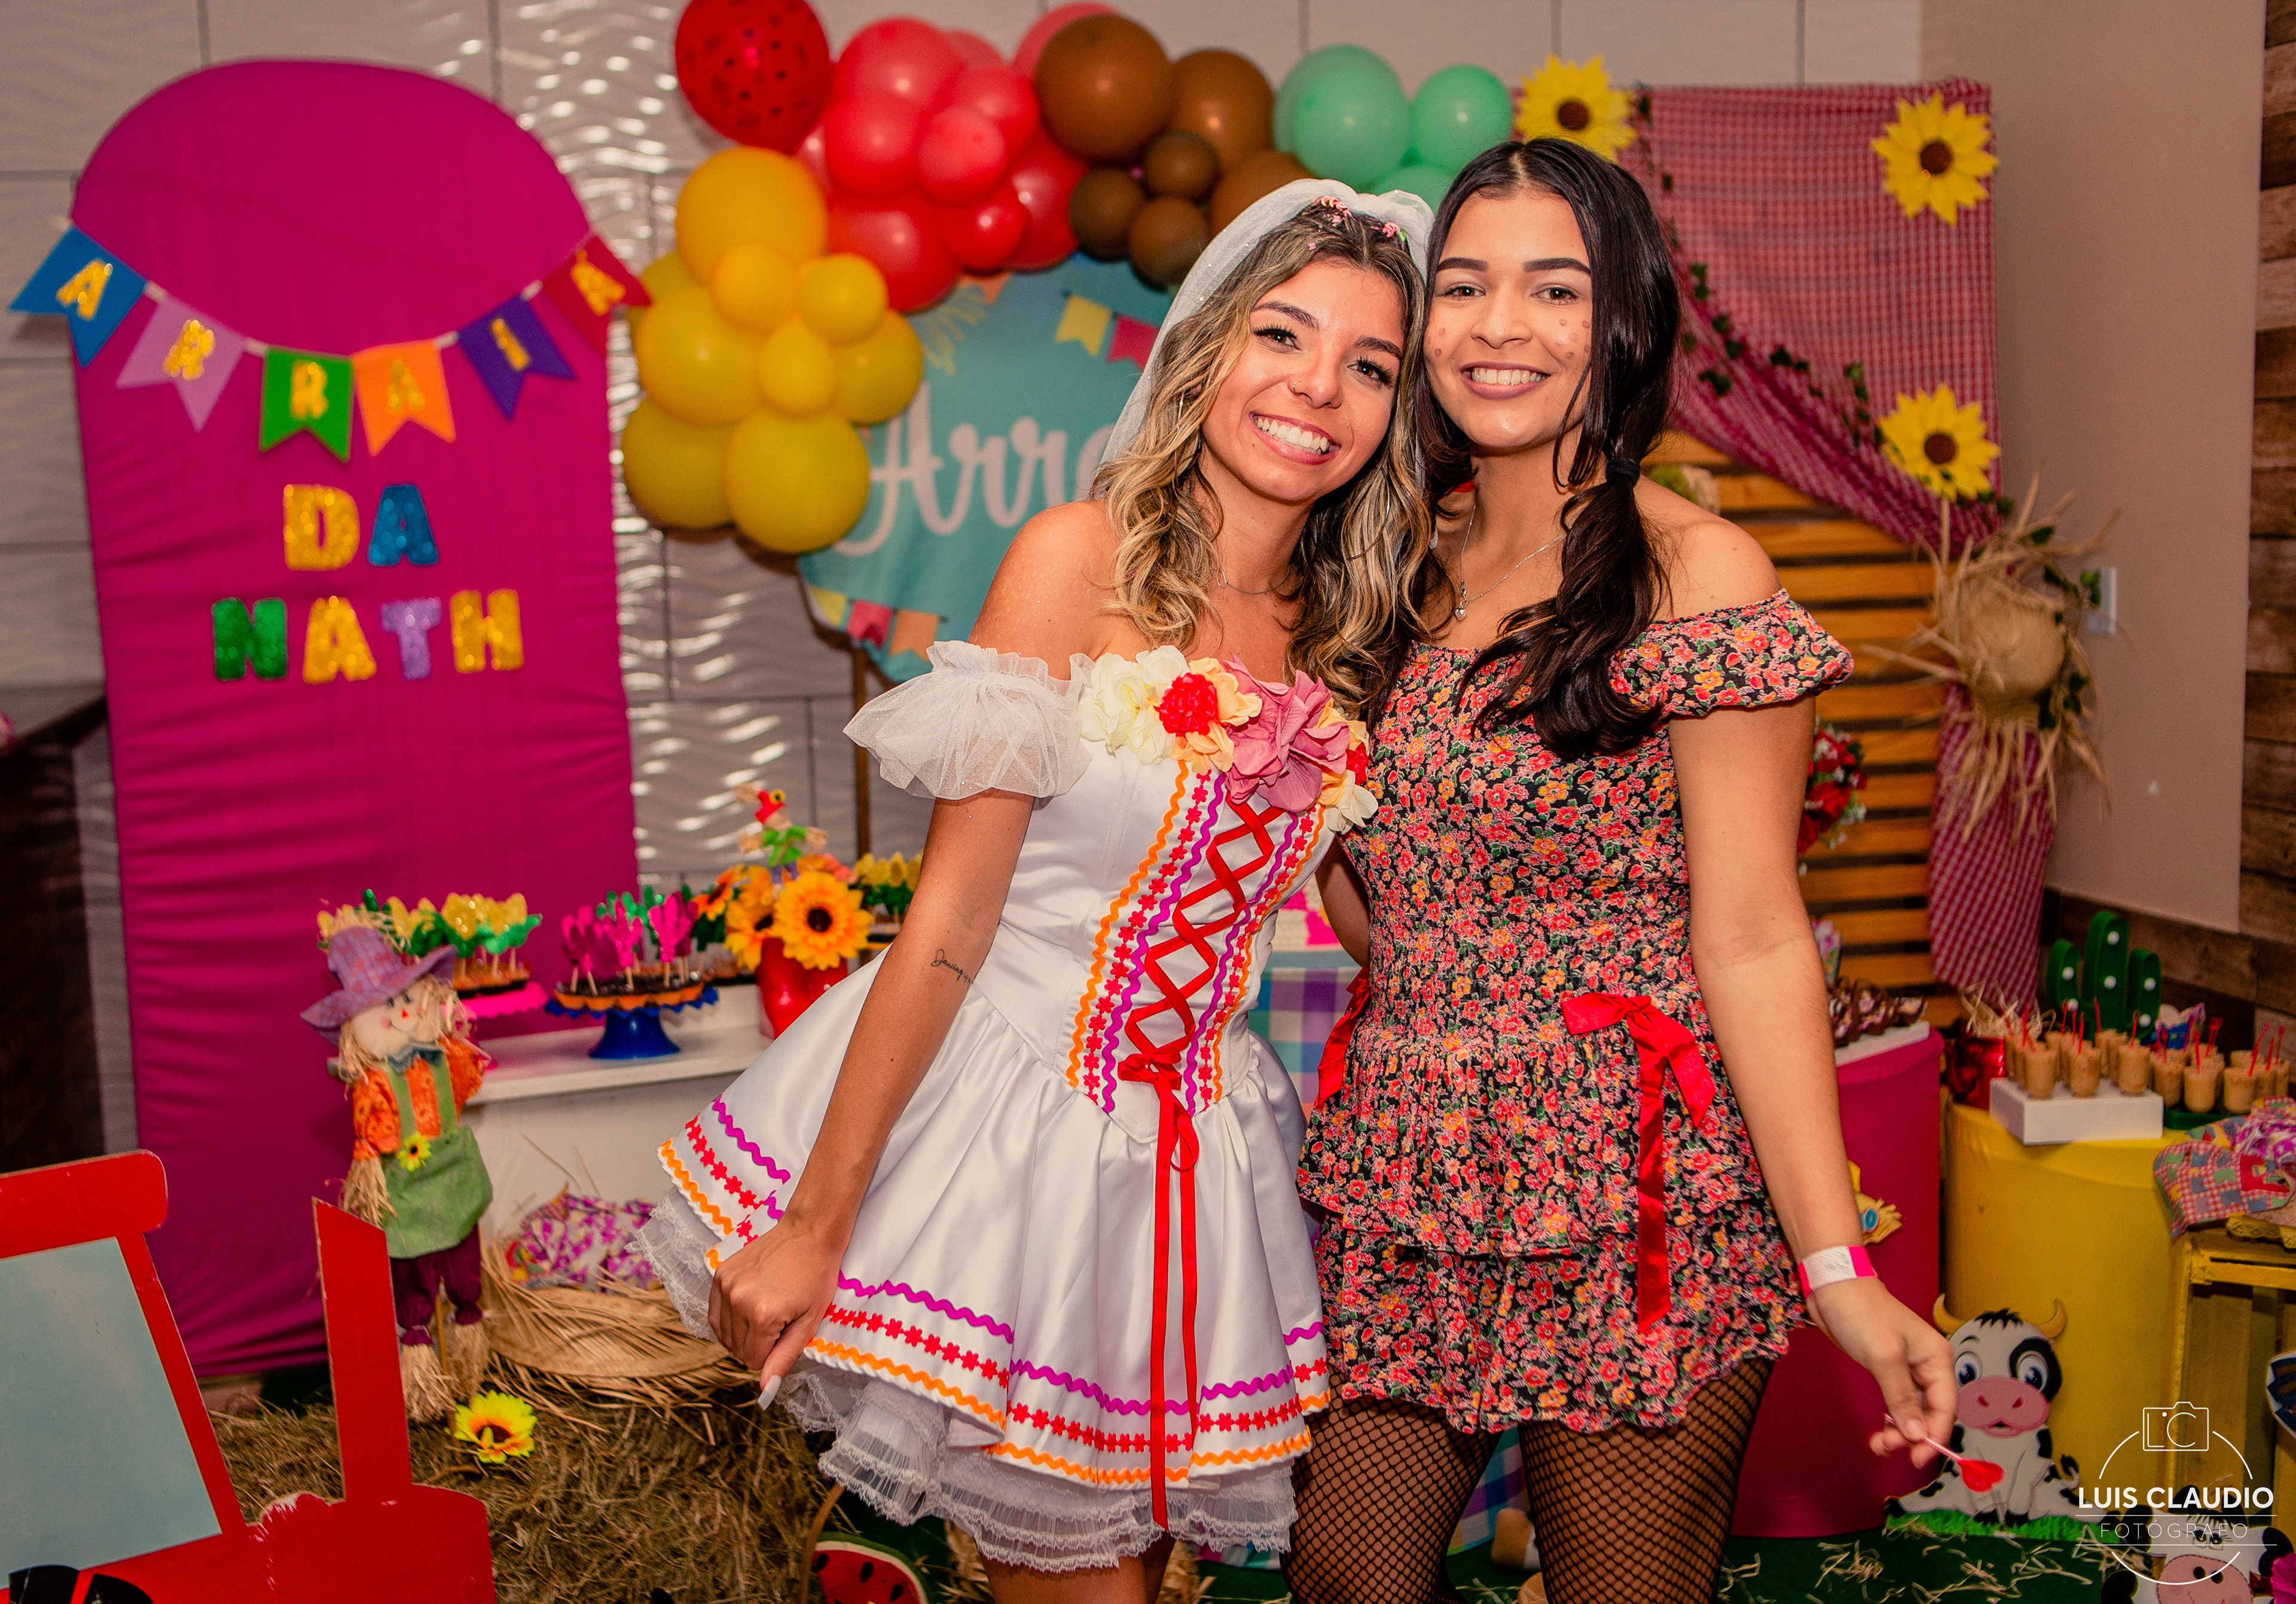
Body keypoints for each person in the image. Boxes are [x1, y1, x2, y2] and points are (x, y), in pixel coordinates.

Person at [636, 180, 1433, 1602]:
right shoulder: (1077, 561)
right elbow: (950, 920)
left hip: (1204, 1165)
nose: (1321, 387)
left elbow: (1369, 912)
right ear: (1208, 349)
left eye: (1371, 365)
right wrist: (819, 1220)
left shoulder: (1352, 634)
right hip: (1015, 1136)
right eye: (1283, 334)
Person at [1284, 139, 1958, 1604]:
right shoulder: (1389, 569)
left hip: (1635, 1179)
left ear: (1626, 321)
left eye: (1554, 288)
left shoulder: (1694, 574)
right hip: (1409, 1165)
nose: (1500, 325)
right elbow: (1385, 913)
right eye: (1465, 286)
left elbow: (1756, 937)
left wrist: (1837, 1268)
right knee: (1344, 1571)